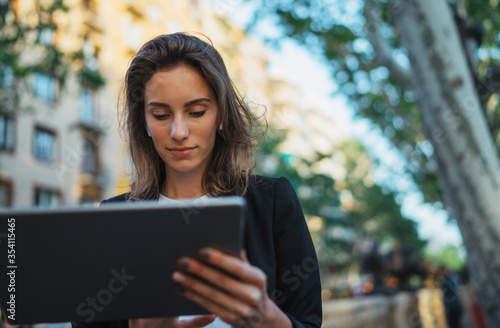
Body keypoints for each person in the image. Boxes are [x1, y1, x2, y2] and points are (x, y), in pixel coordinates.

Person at [73, 32, 322, 328]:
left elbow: (308, 321)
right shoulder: (114, 218)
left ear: (220, 115)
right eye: (161, 115)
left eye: (196, 112)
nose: (178, 131)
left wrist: (265, 317)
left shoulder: (273, 202)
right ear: (145, 122)